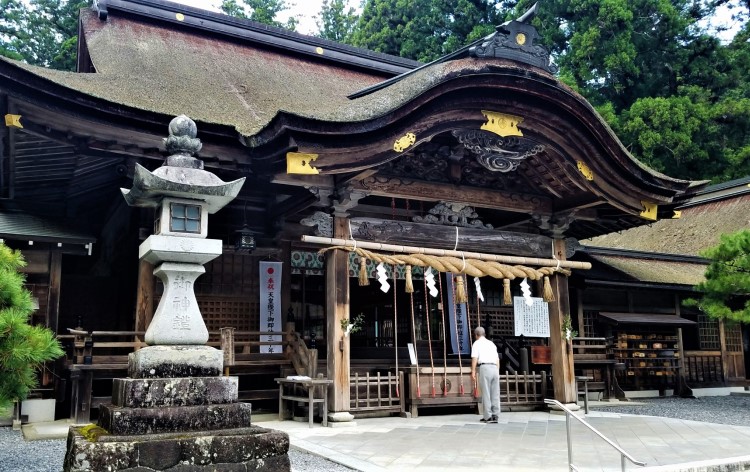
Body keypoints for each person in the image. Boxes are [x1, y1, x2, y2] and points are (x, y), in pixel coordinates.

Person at [471, 326, 500, 423]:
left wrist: (473, 371)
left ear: (476, 335)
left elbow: (475, 358)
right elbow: (497, 359)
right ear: (484, 334)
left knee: (486, 393)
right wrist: (497, 371)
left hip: (485, 367)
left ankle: (488, 416)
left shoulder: (477, 343)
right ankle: (495, 415)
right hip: (495, 368)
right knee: (495, 393)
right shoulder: (491, 344)